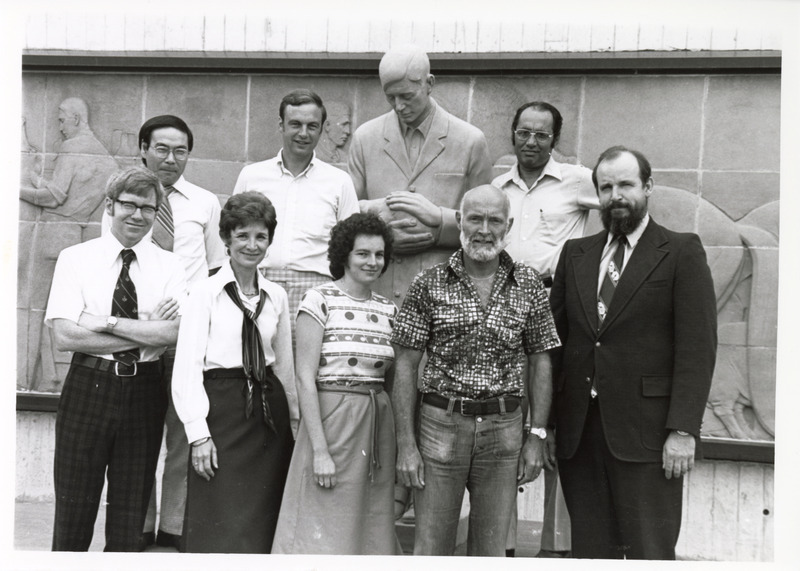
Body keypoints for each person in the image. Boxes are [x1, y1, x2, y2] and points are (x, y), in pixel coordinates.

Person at [549, 146, 717, 559]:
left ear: (648, 187)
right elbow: (554, 346)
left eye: (625, 184)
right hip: (580, 437)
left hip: (649, 438)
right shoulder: (576, 255)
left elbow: (697, 348)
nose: (615, 195)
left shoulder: (681, 252)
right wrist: (548, 425)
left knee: (648, 552)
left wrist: (682, 430)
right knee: (590, 553)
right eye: (605, 187)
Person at [391, 185, 561, 556]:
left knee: (491, 550)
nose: (484, 229)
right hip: (440, 426)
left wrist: (536, 436)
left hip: (504, 431)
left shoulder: (529, 285)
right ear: (459, 221)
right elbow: (405, 365)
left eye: (494, 220)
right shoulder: (428, 283)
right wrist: (406, 444)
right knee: (432, 547)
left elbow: (541, 361)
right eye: (475, 218)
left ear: (508, 225)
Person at [44, 166, 186, 551]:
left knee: (129, 522)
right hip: (88, 388)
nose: (138, 216)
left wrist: (104, 322)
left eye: (148, 208)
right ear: (110, 205)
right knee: (73, 515)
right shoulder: (76, 259)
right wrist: (143, 328)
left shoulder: (170, 266)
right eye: (129, 205)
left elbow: (173, 334)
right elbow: (64, 335)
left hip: (145, 391)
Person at [105, 114, 226, 550]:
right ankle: (137, 525)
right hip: (138, 336)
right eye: (161, 149)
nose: (171, 159)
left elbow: (215, 267)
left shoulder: (204, 202)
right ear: (142, 148)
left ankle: (174, 524)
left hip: (188, 335)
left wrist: (192, 304)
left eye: (180, 151)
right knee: (140, 436)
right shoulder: (121, 202)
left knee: (183, 432)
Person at [492, 101, 599, 557]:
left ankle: (558, 548)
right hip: (507, 302)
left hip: (559, 305)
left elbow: (609, 226)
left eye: (541, 134)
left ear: (555, 139)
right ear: (512, 134)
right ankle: (505, 544)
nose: (531, 141)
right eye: (523, 132)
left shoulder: (578, 179)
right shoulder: (498, 187)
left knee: (556, 418)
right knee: (508, 419)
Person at [171, 191, 299, 553]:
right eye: (242, 235)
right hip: (223, 410)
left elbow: (284, 366)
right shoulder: (204, 293)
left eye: (261, 236)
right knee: (218, 512)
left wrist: (294, 422)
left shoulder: (276, 295)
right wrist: (198, 435)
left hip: (267, 417)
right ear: (226, 239)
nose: (252, 245)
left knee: (263, 518)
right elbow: (187, 369)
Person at [272, 213, 398, 555]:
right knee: (322, 516)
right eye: (363, 253)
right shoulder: (319, 300)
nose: (372, 262)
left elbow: (390, 377)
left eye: (378, 254)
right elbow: (304, 377)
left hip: (374, 423)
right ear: (344, 254)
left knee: (368, 520)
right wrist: (320, 451)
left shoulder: (389, 310)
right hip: (330, 421)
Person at [348, 44, 493, 307]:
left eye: (406, 96)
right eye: (390, 98)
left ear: (429, 83)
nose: (399, 106)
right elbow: (345, 217)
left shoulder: (470, 141)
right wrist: (381, 229)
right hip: (376, 293)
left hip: (447, 298)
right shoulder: (364, 138)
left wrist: (439, 222)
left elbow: (490, 224)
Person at [233, 89, 359, 340]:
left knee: (306, 373)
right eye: (295, 124)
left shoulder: (339, 182)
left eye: (312, 126)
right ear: (281, 125)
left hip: (315, 293)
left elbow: (351, 246)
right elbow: (231, 236)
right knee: (254, 367)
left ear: (322, 128)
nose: (303, 133)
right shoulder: (252, 176)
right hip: (258, 286)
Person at [315, 100, 352, 165]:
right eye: (344, 124)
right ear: (327, 125)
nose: (348, 131)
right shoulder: (311, 155)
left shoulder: (345, 157)